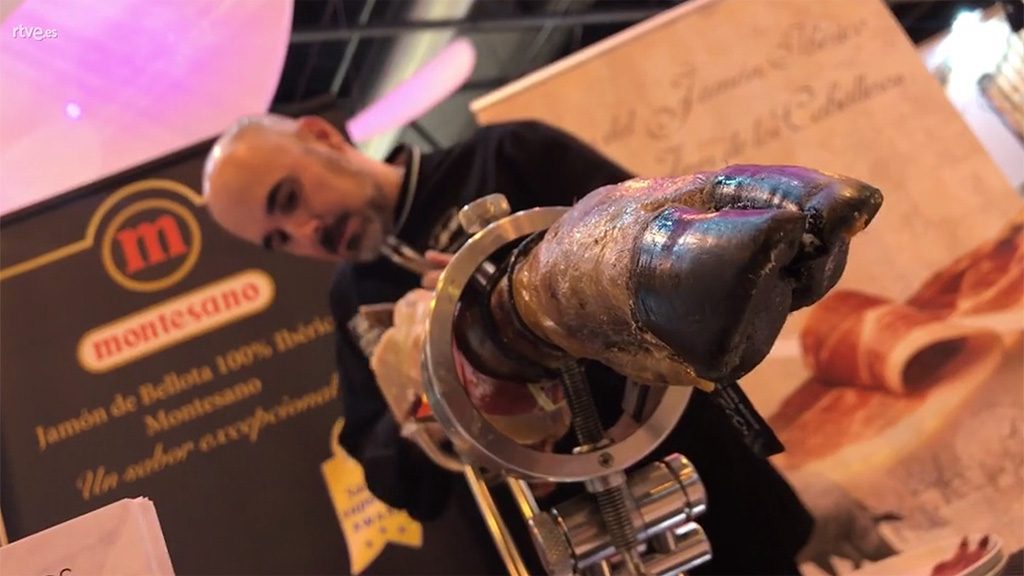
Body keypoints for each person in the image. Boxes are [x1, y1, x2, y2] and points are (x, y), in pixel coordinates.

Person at [202, 113, 815, 575]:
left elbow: (669, 256)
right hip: (579, 546)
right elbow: (393, 474)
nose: (305, 231)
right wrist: (430, 400)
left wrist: (523, 287)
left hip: (704, 483)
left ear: (322, 137)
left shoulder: (509, 155)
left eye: (289, 199)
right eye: (280, 239)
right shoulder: (355, 298)